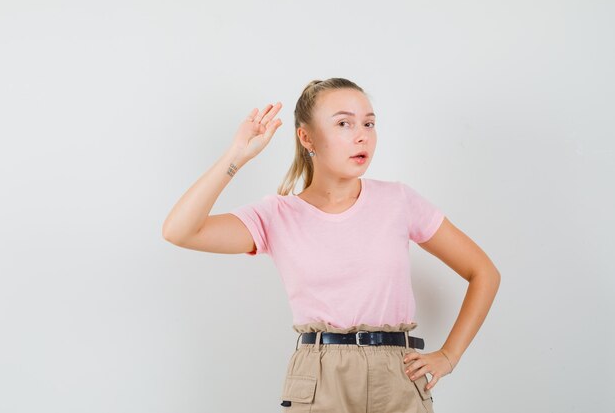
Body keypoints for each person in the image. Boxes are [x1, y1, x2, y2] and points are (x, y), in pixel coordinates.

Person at [162, 77, 501, 413]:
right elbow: (180, 231)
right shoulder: (277, 215)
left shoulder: (398, 200)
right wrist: (237, 155)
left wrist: (449, 355)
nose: (361, 135)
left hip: (397, 375)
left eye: (369, 123)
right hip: (319, 377)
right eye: (344, 123)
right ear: (307, 137)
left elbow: (483, 272)